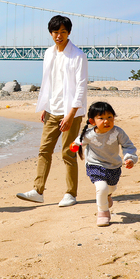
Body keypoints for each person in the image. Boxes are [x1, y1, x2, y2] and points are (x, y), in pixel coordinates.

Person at [17, 15, 88, 207]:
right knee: (44, 150)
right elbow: (47, 82)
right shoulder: (49, 53)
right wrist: (45, 106)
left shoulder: (78, 55)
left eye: (63, 32)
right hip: (52, 110)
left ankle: (71, 194)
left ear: (69, 33)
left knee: (68, 153)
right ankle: (38, 191)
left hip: (71, 111)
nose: (59, 35)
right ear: (51, 33)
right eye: (56, 32)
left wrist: (71, 115)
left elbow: (81, 87)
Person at [73, 101, 138, 226]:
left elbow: (128, 146)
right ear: (92, 121)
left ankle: (108, 195)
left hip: (114, 166)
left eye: (109, 117)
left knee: (110, 188)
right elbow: (78, 141)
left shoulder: (118, 132)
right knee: (101, 187)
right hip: (95, 165)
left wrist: (130, 158)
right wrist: (74, 146)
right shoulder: (89, 134)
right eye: (101, 118)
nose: (106, 121)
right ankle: (103, 213)